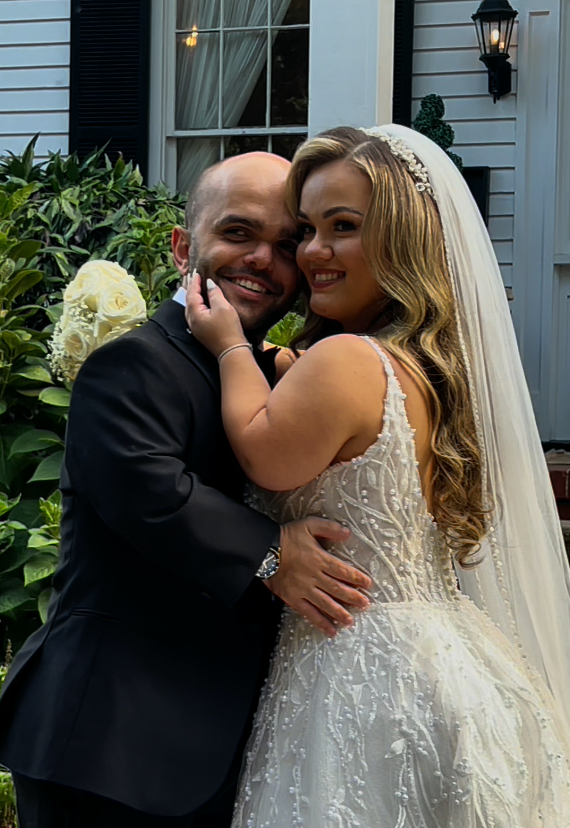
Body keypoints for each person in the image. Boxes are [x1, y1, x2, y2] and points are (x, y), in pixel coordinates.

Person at [186, 127, 570, 826]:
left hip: (363, 671)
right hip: (449, 654)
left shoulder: (348, 363)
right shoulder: (426, 370)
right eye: (307, 228)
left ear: (402, 240)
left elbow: (264, 453)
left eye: (344, 228)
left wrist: (231, 348)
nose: (311, 252)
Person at [0, 151, 372, 828]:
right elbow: (149, 489)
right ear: (182, 248)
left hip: (218, 747)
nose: (263, 259)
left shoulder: (267, 372)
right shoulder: (133, 361)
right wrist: (271, 554)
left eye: (285, 244)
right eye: (238, 234)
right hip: (110, 748)